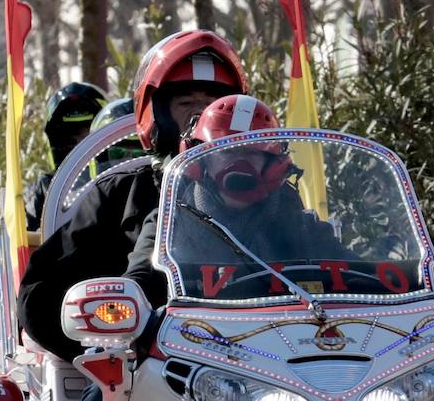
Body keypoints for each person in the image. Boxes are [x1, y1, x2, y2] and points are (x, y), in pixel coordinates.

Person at [19, 30, 246, 401]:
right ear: (155, 112)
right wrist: (105, 342)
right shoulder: (118, 193)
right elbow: (39, 296)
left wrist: (400, 284)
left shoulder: (268, 192)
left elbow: (324, 261)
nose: (200, 114)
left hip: (252, 368)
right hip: (146, 370)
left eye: (213, 101)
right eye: (186, 102)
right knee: (104, 399)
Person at [125, 94, 350, 306]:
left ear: (274, 164)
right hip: (197, 340)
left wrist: (384, 276)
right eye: (227, 152)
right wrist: (125, 295)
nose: (239, 163)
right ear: (199, 160)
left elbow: (355, 271)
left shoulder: (297, 222)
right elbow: (139, 276)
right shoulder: (169, 223)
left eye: (252, 152)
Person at [25, 82, 107, 231]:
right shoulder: (43, 190)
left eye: (86, 137)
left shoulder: (122, 181)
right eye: (70, 139)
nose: (79, 146)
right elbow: (24, 244)